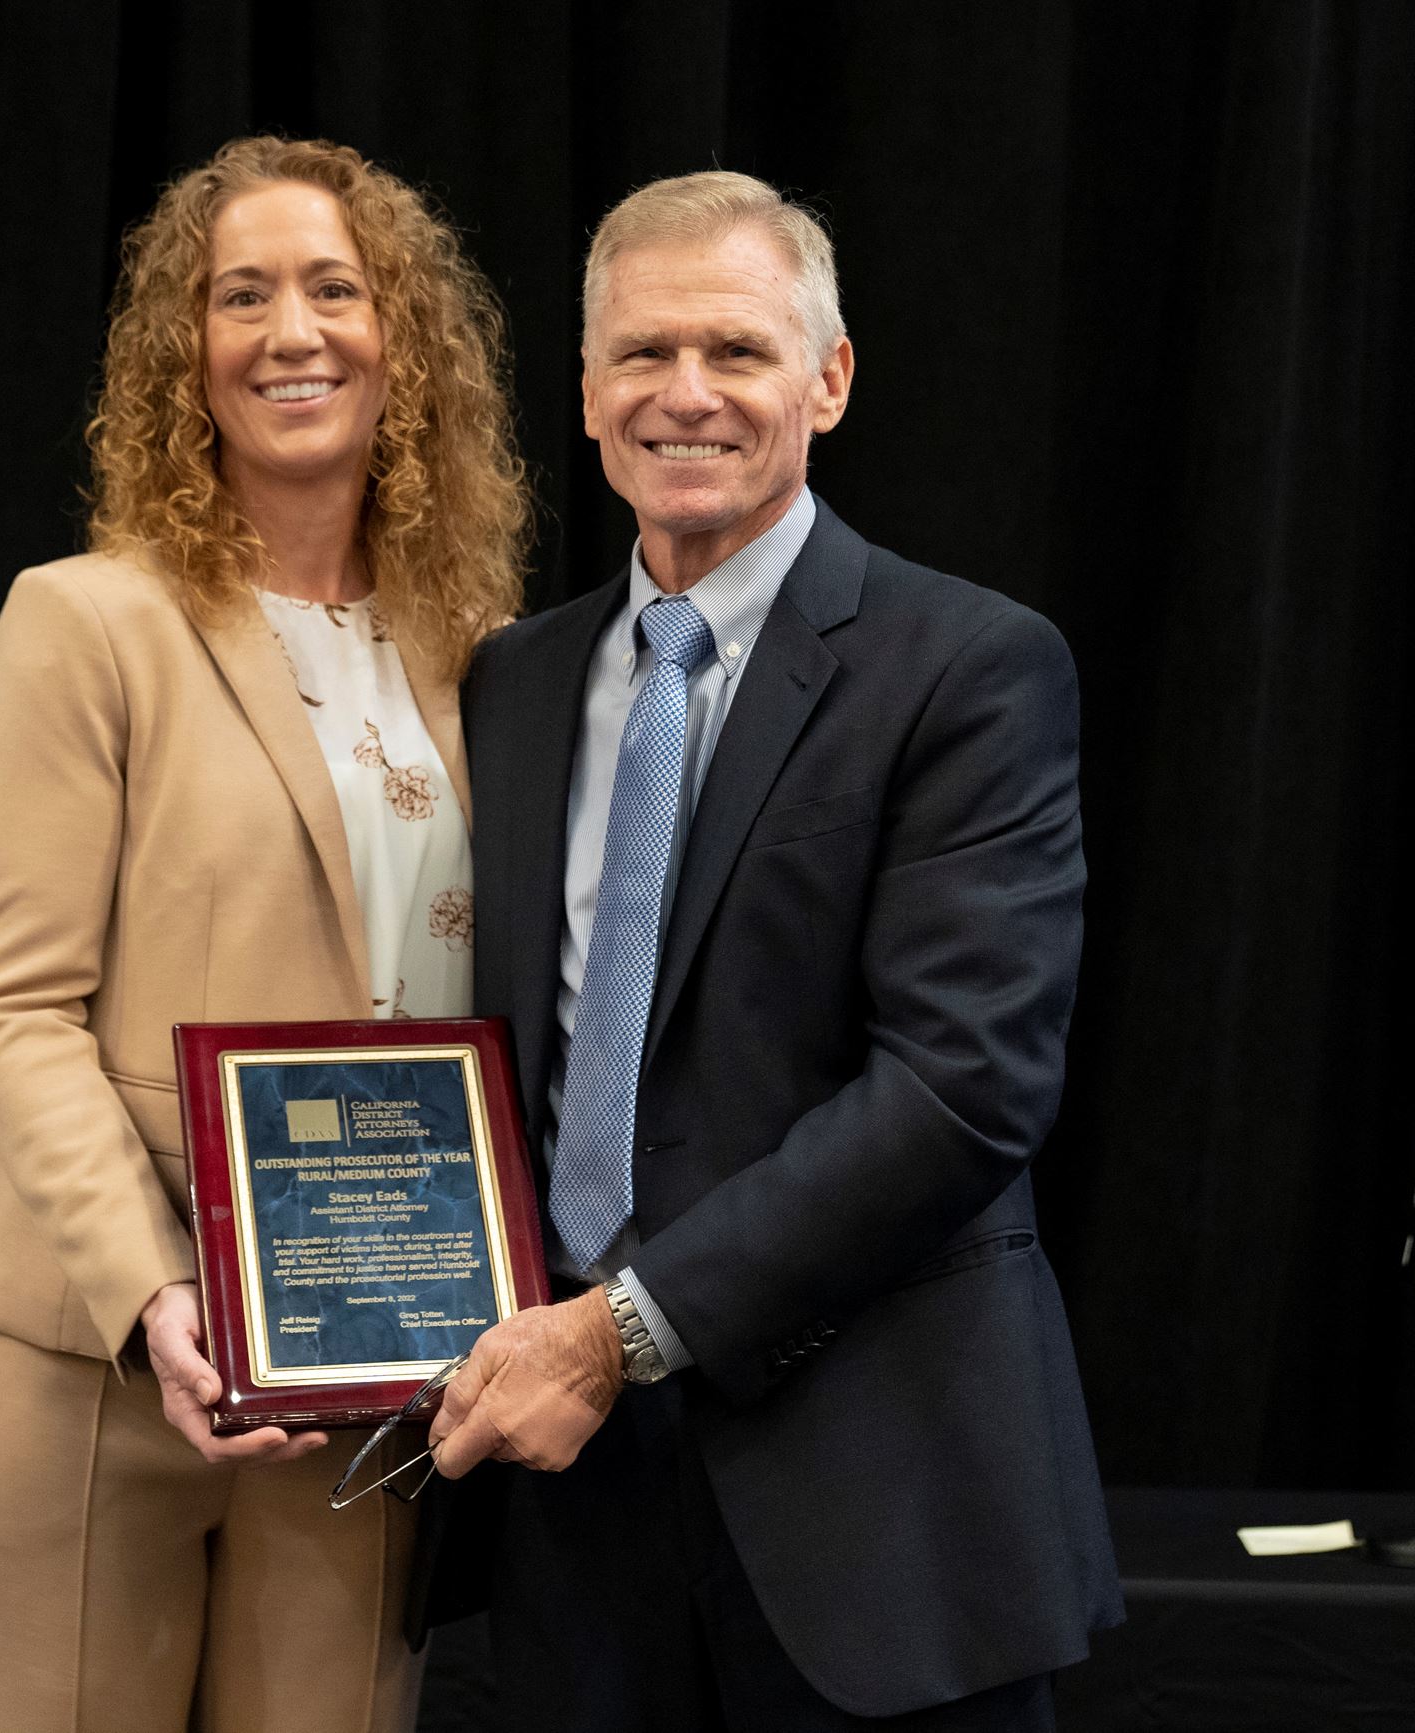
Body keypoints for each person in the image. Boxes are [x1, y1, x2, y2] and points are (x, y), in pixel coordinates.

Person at [427, 172, 1122, 1730]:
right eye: (643, 352)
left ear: (830, 378)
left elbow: (962, 1087)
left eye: (737, 350)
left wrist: (620, 1331)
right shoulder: (512, 682)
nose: (686, 394)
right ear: (587, 392)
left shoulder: (971, 668)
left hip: (873, 1501)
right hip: (569, 1512)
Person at [0, 136, 527, 1733]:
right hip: (93, 1361)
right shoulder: (86, 624)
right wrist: (154, 1291)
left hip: (366, 1366)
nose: (291, 331)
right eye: (240, 296)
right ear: (181, 355)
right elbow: (8, 1009)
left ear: (404, 338)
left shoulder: (485, 653)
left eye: (335, 289)